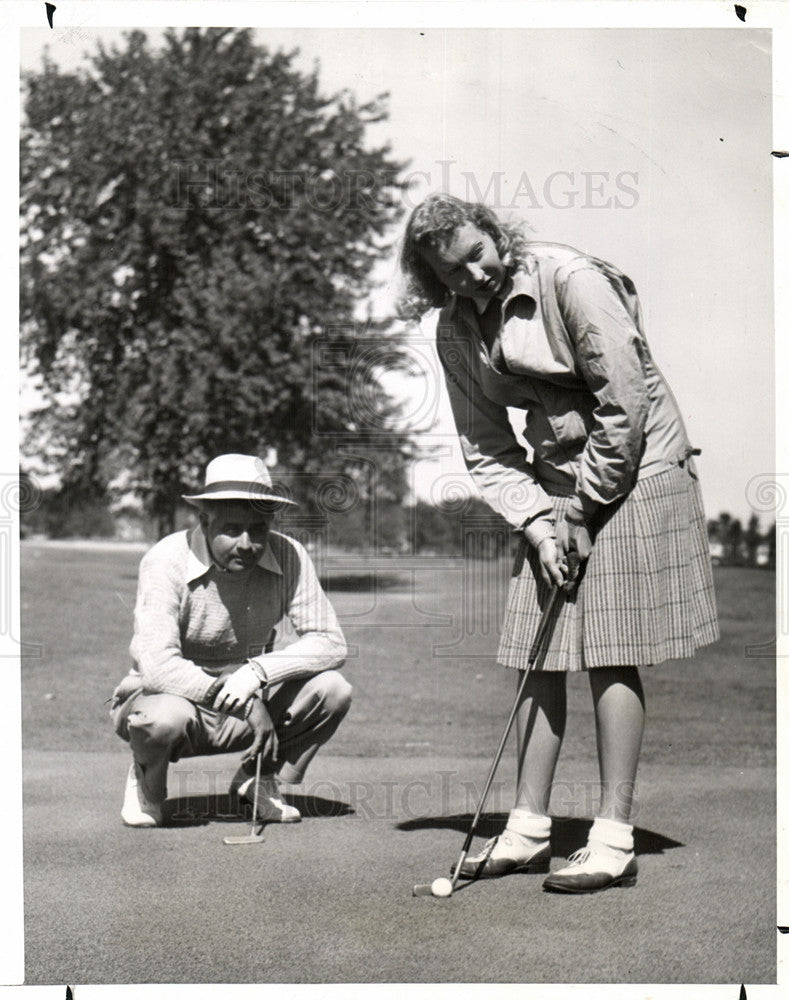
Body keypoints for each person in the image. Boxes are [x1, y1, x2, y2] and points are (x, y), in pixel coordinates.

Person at [398, 194, 718, 893]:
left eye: (476, 255)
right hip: (554, 484)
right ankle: (527, 828)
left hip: (633, 466)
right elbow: (484, 447)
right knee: (534, 649)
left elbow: (623, 404)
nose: (473, 277)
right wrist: (541, 523)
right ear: (432, 279)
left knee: (609, 648)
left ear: (494, 233)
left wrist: (582, 508)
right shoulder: (454, 331)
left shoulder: (569, 279)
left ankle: (611, 838)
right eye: (450, 274)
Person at [110, 453, 352, 828]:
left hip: (247, 698)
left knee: (333, 689)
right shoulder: (166, 559)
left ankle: (259, 777)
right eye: (232, 528)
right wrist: (240, 702)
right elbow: (158, 668)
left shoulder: (289, 555)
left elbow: (331, 643)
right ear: (205, 521)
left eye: (258, 529)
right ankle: (147, 784)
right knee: (161, 720)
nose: (247, 543)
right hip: (174, 700)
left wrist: (255, 674)